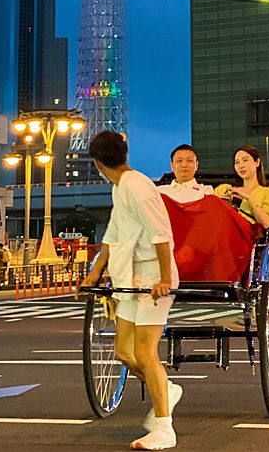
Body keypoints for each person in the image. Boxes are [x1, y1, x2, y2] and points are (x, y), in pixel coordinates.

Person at [78, 131, 181, 451]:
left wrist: (164, 277)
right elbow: (114, 231)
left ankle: (165, 428)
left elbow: (161, 234)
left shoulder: (137, 187)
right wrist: (95, 272)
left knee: (145, 352)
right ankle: (168, 389)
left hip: (152, 280)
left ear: (97, 163)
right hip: (128, 280)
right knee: (124, 352)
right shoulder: (120, 186)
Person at [216, 146, 269, 229]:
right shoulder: (224, 189)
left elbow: (266, 224)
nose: (241, 166)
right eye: (237, 162)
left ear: (257, 162)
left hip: (251, 240)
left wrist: (249, 199)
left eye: (245, 160)